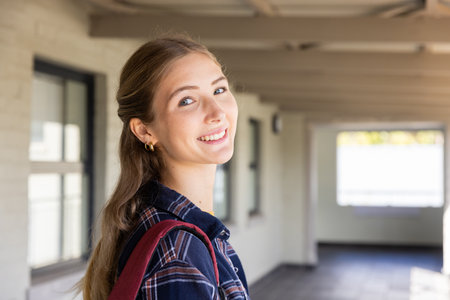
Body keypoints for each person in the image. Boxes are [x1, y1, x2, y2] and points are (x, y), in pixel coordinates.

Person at [81, 36, 250, 300]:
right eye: (187, 100)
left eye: (219, 90)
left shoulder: (172, 227)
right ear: (145, 130)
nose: (217, 112)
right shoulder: (178, 253)